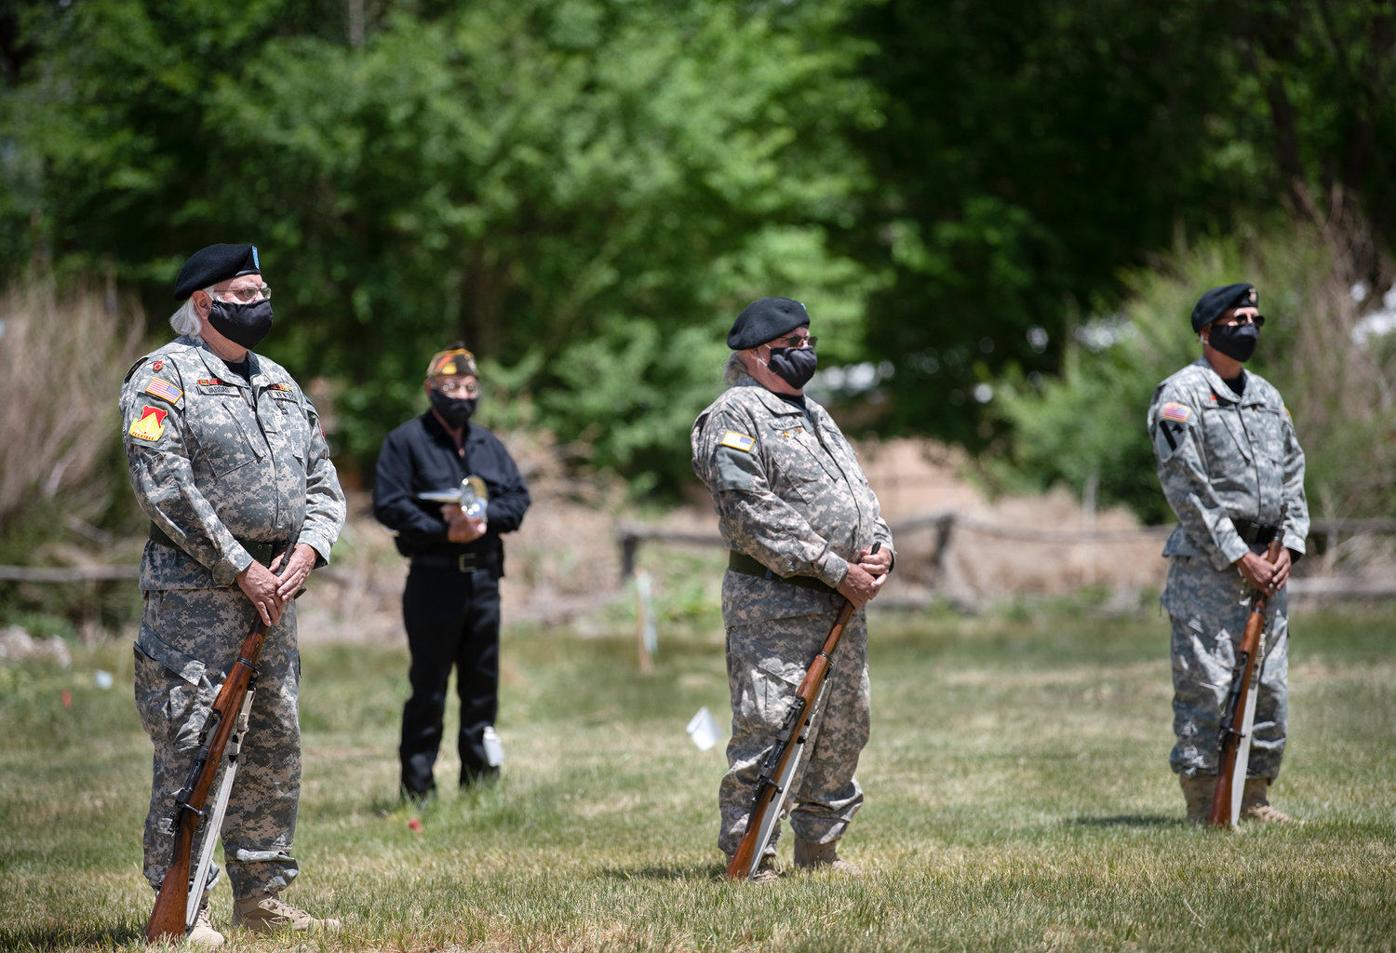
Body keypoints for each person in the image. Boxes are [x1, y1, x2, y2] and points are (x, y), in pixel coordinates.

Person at [120, 243, 346, 945]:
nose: (261, 303)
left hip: (274, 599)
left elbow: (323, 482)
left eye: (263, 291)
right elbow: (162, 483)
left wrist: (307, 552)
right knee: (194, 742)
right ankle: (183, 905)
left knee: (274, 744)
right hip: (196, 600)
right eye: (245, 293)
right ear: (204, 303)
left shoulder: (279, 383)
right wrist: (240, 564)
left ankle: (264, 896)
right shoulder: (163, 377)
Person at [690, 296, 894, 879]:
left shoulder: (814, 414)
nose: (806, 352)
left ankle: (820, 851)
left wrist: (882, 549)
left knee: (842, 731)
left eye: (809, 342)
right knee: (770, 728)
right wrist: (833, 567)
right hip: (776, 607)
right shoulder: (734, 415)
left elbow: (859, 494)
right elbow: (748, 510)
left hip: (842, 604)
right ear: (757, 354)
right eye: (792, 345)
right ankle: (751, 858)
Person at [1147, 282, 1310, 824]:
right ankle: (1204, 801)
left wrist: (1290, 544)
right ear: (1207, 330)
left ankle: (1254, 796)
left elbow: (1294, 474)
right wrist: (1240, 555)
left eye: (1255, 320)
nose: (1248, 328)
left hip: (1270, 562)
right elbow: (1187, 487)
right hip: (1209, 567)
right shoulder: (1181, 396)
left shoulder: (1267, 396)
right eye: (1237, 319)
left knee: (1270, 685)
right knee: (1206, 684)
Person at [372, 344, 531, 801]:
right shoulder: (406, 442)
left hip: (484, 581)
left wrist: (483, 520)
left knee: (482, 689)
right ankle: (417, 791)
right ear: (430, 389)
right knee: (429, 688)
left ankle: (480, 786)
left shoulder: (488, 444)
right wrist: (443, 530)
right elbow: (389, 504)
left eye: (469, 387)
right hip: (433, 581)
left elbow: (518, 499)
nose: (462, 395)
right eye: (451, 386)